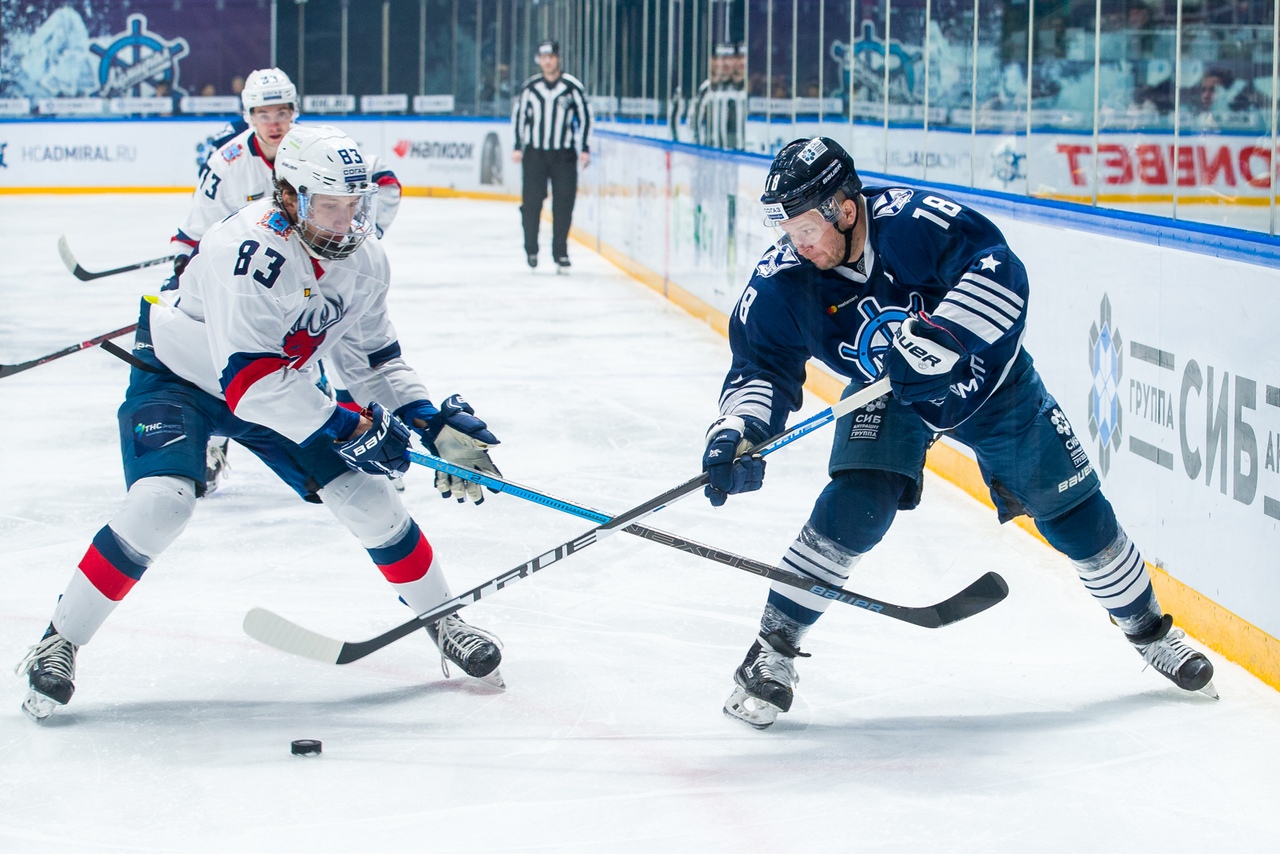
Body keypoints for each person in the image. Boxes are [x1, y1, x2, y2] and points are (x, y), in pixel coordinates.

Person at [702, 136, 1217, 729]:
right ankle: (771, 653)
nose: (797, 242)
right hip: (890, 395)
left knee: (1072, 511)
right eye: (787, 228)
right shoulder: (781, 281)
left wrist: (947, 334)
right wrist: (737, 430)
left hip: (991, 385)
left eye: (806, 227)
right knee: (856, 504)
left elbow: (1001, 269)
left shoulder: (913, 224)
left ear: (845, 209)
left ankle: (1149, 632)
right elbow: (760, 366)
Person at [16, 126, 506, 723]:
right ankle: (60, 636)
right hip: (182, 377)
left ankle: (443, 618)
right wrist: (350, 427)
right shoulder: (245, 251)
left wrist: (428, 420)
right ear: (291, 197)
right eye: (330, 206)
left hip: (280, 388)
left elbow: (373, 361)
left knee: (371, 500)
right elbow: (249, 385)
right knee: (161, 503)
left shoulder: (365, 257)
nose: (345, 221)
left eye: (354, 206)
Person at [172, 68, 403, 491]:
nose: (274, 122)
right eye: (263, 113)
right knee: (227, 365)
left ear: (295, 111)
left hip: (306, 278)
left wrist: (357, 235)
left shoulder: (320, 152)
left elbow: (383, 180)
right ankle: (215, 439)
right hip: (246, 281)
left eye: (282, 112)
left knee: (311, 358)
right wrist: (189, 277)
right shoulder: (227, 163)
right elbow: (197, 232)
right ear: (249, 117)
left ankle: (344, 445)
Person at [511, 39, 592, 272]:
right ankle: (531, 248)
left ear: (558, 58)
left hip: (563, 155)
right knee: (532, 203)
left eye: (551, 57)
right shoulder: (530, 88)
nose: (547, 62)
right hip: (535, 154)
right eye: (543, 57)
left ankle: (560, 252)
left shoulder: (572, 87)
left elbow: (585, 118)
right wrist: (518, 146)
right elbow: (519, 118)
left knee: (564, 204)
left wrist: (584, 148)